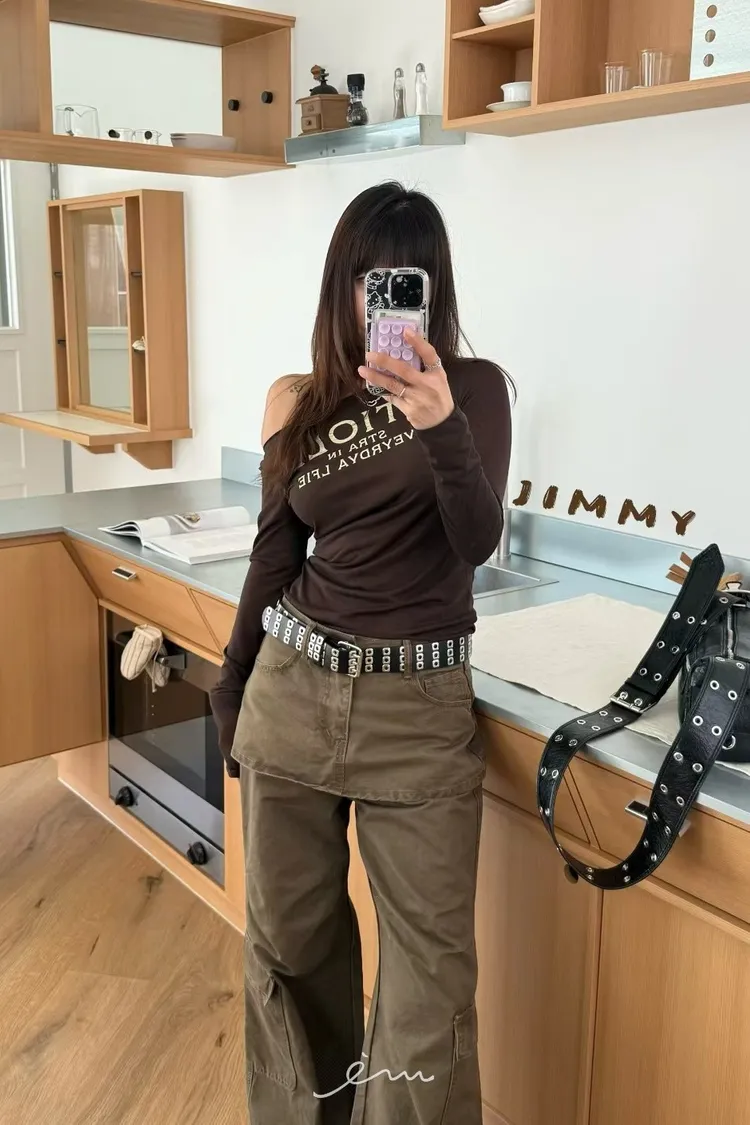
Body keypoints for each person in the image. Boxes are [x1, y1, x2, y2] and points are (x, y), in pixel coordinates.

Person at [210, 181, 512, 1125]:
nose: (381, 299)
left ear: (431, 291)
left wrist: (441, 427)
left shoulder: (473, 391)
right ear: (341, 283)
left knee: (429, 983)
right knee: (291, 953)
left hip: (417, 711)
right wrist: (231, 681)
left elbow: (476, 538)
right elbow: (275, 553)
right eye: (367, 277)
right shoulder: (295, 401)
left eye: (406, 280)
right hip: (291, 691)